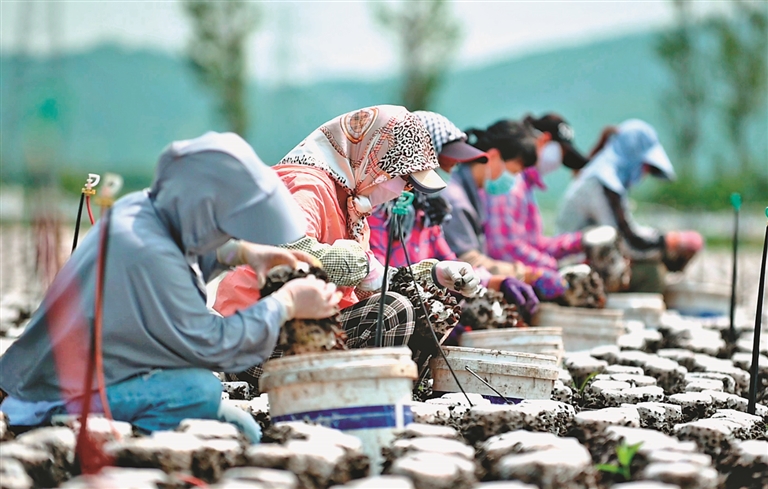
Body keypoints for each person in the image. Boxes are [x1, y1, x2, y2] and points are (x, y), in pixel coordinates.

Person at [0, 132, 342, 443]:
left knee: (243, 431)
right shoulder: (147, 254)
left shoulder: (139, 211)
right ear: (204, 210)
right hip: (52, 396)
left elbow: (185, 242)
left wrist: (245, 252)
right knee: (196, 389)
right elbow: (213, 345)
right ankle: (108, 449)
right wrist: (286, 303)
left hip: (81, 376)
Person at [213, 106, 482, 385]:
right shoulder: (307, 185)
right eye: (404, 180)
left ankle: (386, 394)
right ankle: (365, 398)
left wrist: (433, 275)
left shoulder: (353, 206)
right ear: (375, 161)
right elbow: (282, 253)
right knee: (392, 311)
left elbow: (371, 282)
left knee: (434, 308)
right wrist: (356, 265)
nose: (404, 191)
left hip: (302, 332)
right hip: (255, 343)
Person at [368, 110, 540, 315]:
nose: (445, 173)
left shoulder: (429, 212)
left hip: (421, 308)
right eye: (441, 164)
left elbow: (452, 262)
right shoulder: (379, 211)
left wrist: (496, 282)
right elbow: (378, 277)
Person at [556, 119, 703, 292]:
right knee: (651, 274)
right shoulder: (603, 183)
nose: (645, 173)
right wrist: (668, 242)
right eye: (646, 166)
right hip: (574, 270)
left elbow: (627, 230)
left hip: (590, 260)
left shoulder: (605, 179)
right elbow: (626, 241)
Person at [439, 119, 542, 318]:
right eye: (514, 172)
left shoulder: (472, 195)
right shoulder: (456, 201)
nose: (514, 180)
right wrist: (525, 274)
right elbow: (468, 261)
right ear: (493, 156)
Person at [482, 114, 588, 301]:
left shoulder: (525, 184)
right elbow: (506, 247)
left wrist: (577, 243)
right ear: (544, 140)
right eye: (561, 154)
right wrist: (553, 267)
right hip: (506, 284)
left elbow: (533, 242)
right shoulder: (511, 184)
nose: (557, 164)